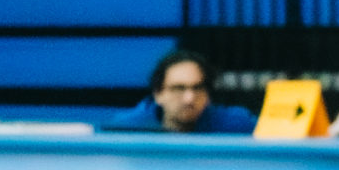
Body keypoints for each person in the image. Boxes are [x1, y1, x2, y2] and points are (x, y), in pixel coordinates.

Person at [101, 48, 257, 134]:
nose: (189, 98)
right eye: (178, 89)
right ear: (158, 94)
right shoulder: (128, 128)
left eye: (197, 88)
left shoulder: (236, 123)